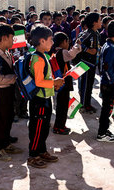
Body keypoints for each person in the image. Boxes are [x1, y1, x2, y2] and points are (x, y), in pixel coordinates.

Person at [27, 25, 64, 168]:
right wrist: (54, 82)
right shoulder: (38, 59)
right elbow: (39, 81)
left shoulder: (44, 56)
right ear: (42, 41)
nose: (52, 42)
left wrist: (54, 84)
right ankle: (33, 155)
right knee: (37, 128)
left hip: (46, 98)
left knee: (44, 127)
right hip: (39, 100)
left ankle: (41, 150)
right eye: (50, 39)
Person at [0, 23, 23, 161]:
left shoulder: (7, 54)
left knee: (8, 118)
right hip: (0, 94)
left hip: (8, 92)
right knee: (0, 121)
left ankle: (6, 143)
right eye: (11, 37)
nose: (13, 40)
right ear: (3, 38)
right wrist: (12, 78)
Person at [97, 20, 114, 142]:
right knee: (106, 109)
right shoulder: (111, 48)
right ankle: (102, 134)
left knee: (107, 108)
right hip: (108, 84)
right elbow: (107, 68)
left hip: (106, 82)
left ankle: (105, 129)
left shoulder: (106, 45)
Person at [52, 32, 81, 135]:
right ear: (64, 42)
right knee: (62, 107)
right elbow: (71, 54)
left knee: (62, 106)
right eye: (68, 42)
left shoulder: (56, 52)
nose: (69, 44)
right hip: (63, 84)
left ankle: (61, 125)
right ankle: (58, 127)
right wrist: (78, 45)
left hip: (61, 83)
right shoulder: (62, 52)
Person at [78, 12, 101, 114]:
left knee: (89, 85)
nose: (101, 22)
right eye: (99, 20)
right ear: (94, 22)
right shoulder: (88, 33)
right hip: (86, 63)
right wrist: (88, 50)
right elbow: (78, 42)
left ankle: (87, 104)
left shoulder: (96, 33)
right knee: (85, 85)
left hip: (92, 64)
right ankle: (83, 105)